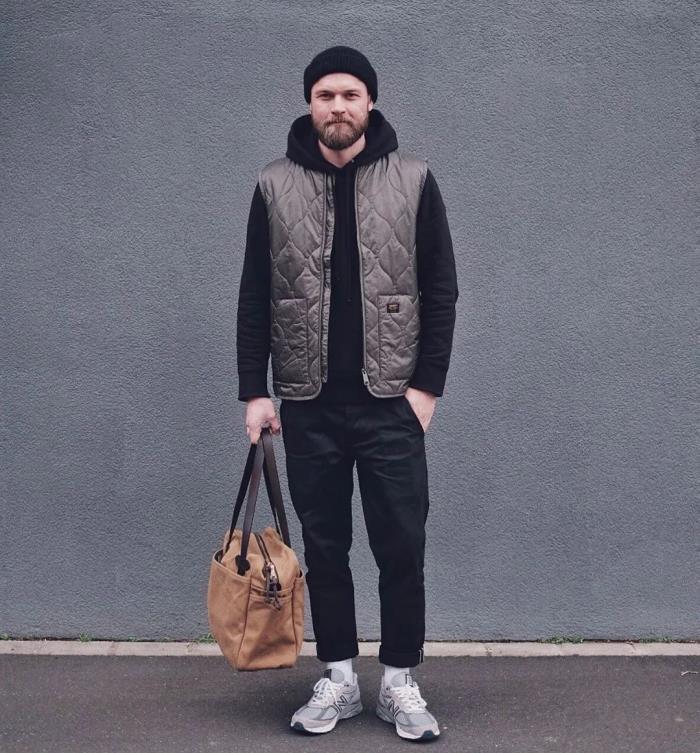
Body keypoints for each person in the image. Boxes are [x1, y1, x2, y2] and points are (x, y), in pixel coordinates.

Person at [236, 45, 458, 741]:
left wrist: (426, 390)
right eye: (325, 94)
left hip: (391, 403)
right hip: (309, 404)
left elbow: (441, 289)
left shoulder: (413, 178)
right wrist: (254, 391)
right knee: (325, 548)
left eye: (350, 94)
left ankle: (398, 681)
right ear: (310, 103)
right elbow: (255, 293)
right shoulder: (274, 184)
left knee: (402, 545)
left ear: (370, 102)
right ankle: (337, 677)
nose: (338, 106)